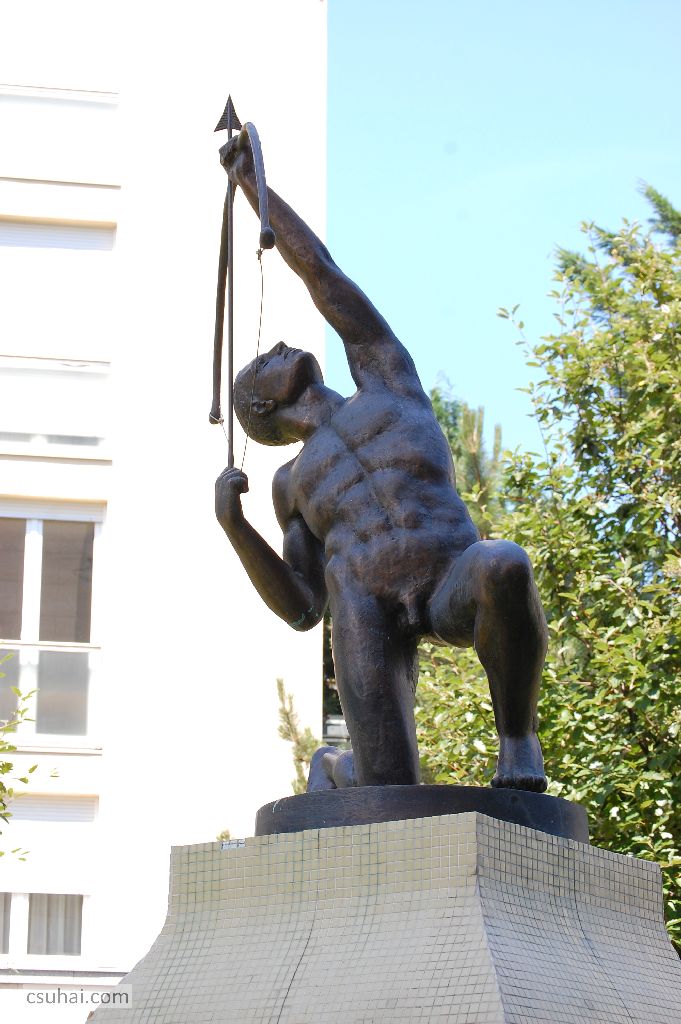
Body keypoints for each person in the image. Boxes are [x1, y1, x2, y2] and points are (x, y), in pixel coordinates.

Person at [215, 134, 548, 792]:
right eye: (265, 361)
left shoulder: (387, 382)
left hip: (449, 574)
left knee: (503, 563)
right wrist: (236, 527)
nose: (279, 346)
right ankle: (336, 765)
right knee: (387, 791)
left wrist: (256, 190)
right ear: (260, 405)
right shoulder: (289, 485)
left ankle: (518, 740)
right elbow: (303, 607)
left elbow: (324, 276)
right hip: (363, 608)